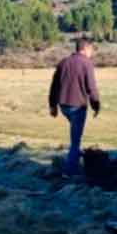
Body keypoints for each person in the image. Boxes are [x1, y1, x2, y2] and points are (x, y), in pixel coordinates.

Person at [48, 38, 101, 178]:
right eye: (91, 49)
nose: (92, 53)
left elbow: (54, 87)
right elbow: (92, 87)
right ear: (85, 49)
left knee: (75, 135)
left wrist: (53, 106)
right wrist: (96, 105)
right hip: (77, 106)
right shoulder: (86, 64)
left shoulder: (63, 62)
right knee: (75, 140)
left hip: (63, 105)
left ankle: (76, 159)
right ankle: (70, 171)